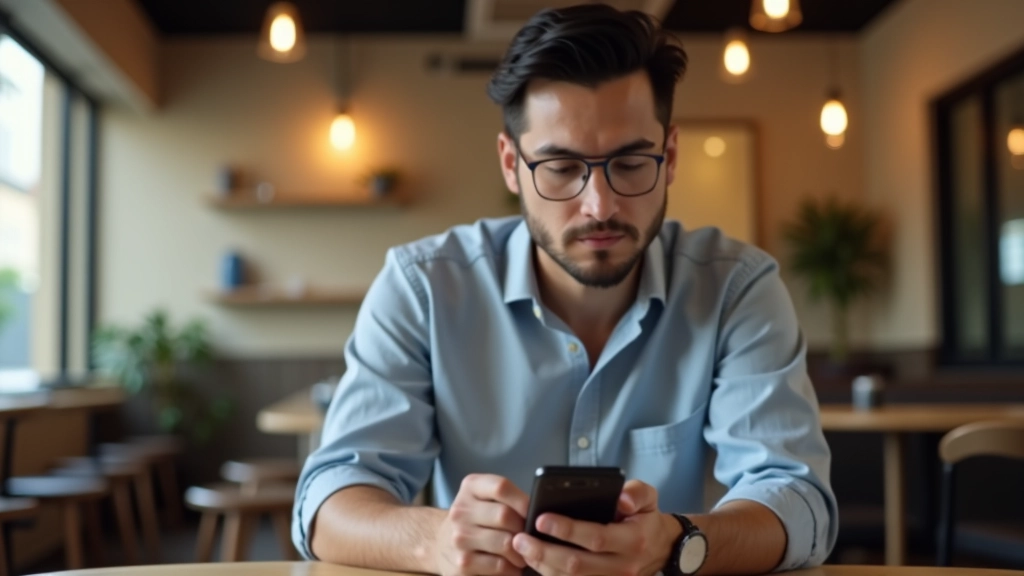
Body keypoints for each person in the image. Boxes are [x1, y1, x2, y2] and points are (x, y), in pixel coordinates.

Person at [292, 4, 837, 576]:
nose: (599, 205)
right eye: (559, 167)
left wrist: (677, 543)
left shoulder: (736, 288)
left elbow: (797, 502)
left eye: (630, 163)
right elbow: (328, 502)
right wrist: (433, 540)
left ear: (670, 156)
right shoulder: (422, 287)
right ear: (512, 165)